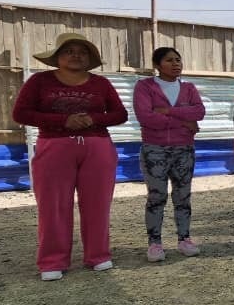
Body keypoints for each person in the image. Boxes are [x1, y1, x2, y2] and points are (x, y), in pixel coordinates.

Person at [11, 31, 128, 281]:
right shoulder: (39, 81)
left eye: (82, 52)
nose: (76, 56)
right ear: (57, 57)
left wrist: (93, 119)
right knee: (53, 205)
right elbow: (21, 113)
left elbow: (120, 114)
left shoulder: (101, 84)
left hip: (97, 146)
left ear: (89, 58)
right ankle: (52, 260)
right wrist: (63, 121)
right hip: (54, 146)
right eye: (69, 51)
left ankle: (98, 254)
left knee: (98, 203)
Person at [133, 47, 207, 262]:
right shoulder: (145, 87)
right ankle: (155, 243)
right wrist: (184, 122)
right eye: (169, 60)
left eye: (178, 59)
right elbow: (146, 117)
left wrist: (169, 111)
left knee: (183, 196)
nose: (176, 64)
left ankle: (184, 239)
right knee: (157, 196)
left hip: (184, 149)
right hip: (154, 149)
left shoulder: (189, 88)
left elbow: (199, 112)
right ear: (157, 65)